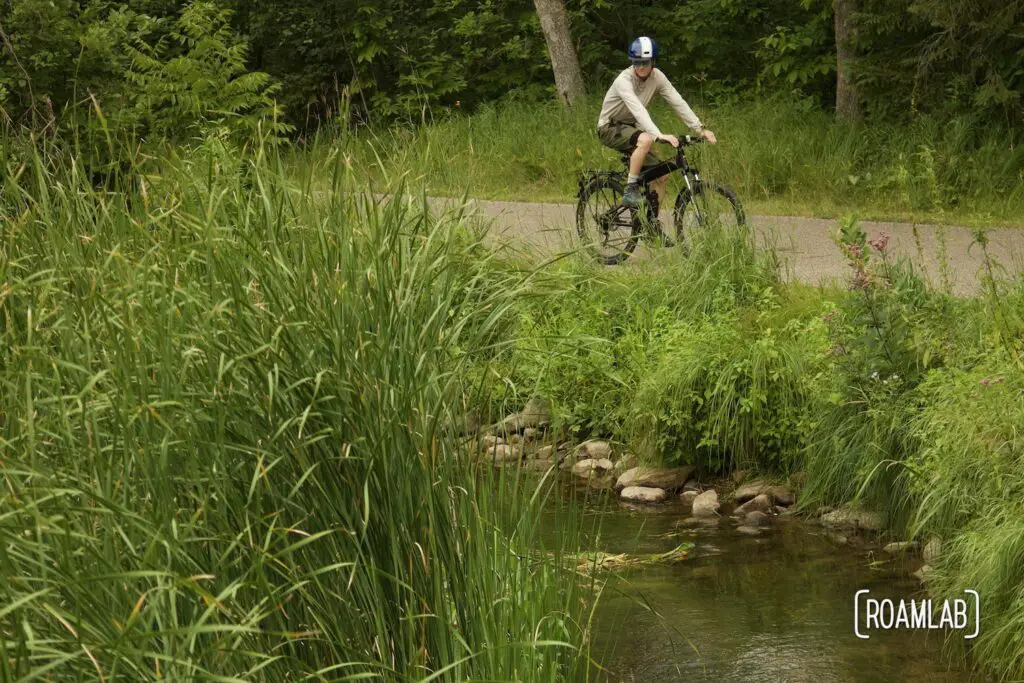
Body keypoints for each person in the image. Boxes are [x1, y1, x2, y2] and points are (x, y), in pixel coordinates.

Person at [596, 36, 716, 208]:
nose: (640, 67)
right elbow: (638, 110)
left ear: (653, 61)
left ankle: (650, 227)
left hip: (630, 129)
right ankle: (630, 190)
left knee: (661, 175)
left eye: (645, 63)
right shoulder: (624, 80)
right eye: (636, 63)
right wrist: (658, 135)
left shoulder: (658, 77)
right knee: (645, 139)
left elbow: (678, 102)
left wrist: (700, 129)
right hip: (609, 127)